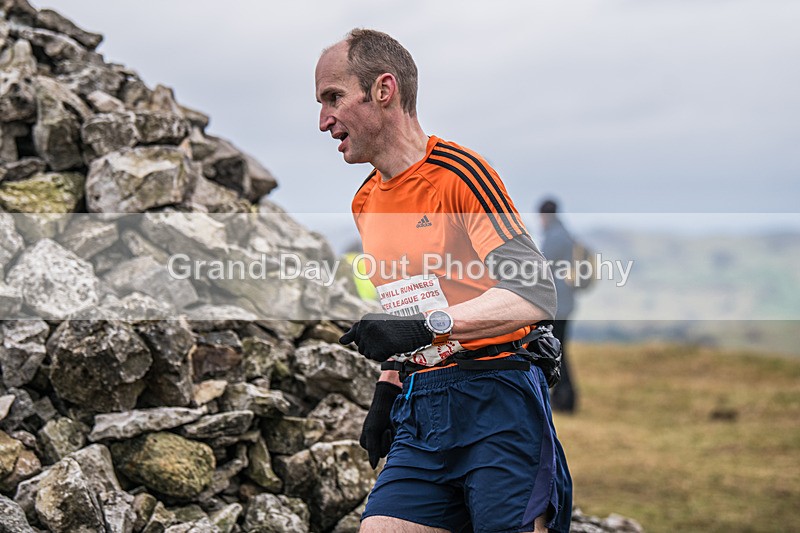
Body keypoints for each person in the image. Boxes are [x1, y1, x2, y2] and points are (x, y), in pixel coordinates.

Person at [315, 29, 572, 533]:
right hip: (423, 406)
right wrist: (387, 391)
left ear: (383, 90)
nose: (323, 120)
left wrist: (427, 326)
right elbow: (405, 307)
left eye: (333, 98)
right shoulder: (365, 201)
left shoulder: (459, 174)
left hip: (498, 398)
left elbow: (535, 292)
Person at [538, 199, 578, 413]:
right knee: (560, 349)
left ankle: (565, 398)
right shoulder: (566, 233)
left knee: (556, 350)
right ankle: (565, 397)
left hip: (558, 304)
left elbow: (541, 265)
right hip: (566, 301)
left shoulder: (554, 237)